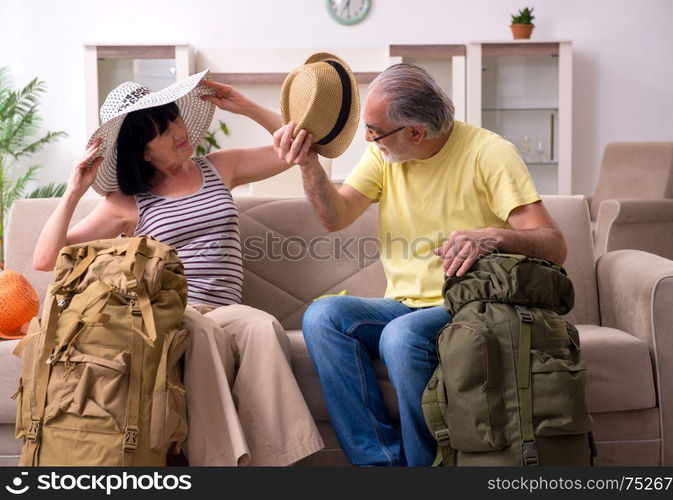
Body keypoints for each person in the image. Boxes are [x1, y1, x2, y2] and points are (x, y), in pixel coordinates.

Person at [273, 63, 568, 466]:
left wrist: (490, 236)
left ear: (416, 132)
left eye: (374, 131)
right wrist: (308, 166)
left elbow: (553, 244)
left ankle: (427, 467)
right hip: (405, 304)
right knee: (324, 315)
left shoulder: (489, 153)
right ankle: (381, 466)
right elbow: (334, 216)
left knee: (401, 336)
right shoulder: (385, 153)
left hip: (472, 305)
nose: (367, 138)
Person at [32, 71, 323, 466]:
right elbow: (46, 259)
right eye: (160, 130)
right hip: (172, 312)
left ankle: (281, 464)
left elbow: (300, 149)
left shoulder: (220, 167)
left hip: (226, 309)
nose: (177, 130)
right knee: (202, 332)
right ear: (142, 151)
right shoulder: (128, 202)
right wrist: (73, 190)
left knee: (263, 326)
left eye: (174, 118)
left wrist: (247, 106)